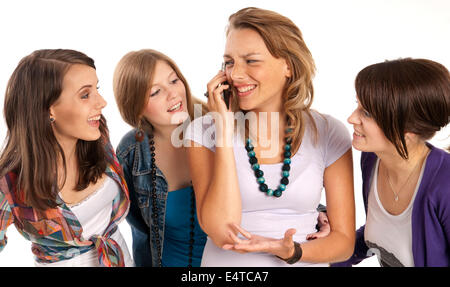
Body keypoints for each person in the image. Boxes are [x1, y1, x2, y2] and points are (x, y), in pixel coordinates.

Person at [184, 7, 355, 267]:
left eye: (251, 61)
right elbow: (222, 231)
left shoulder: (328, 132)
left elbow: (343, 243)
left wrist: (291, 252)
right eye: (229, 62)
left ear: (288, 65)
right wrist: (225, 131)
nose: (236, 74)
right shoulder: (203, 132)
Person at [0, 49, 133, 267]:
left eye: (96, 89)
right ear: (48, 110)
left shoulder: (97, 135)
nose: (102, 102)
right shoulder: (10, 182)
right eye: (85, 95)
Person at [334, 58, 450, 267]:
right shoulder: (372, 159)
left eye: (367, 113)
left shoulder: (445, 184)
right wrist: (330, 245)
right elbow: (380, 238)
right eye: (357, 105)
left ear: (408, 131)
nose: (352, 118)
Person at [114, 49, 209, 267]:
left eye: (174, 80)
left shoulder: (219, 128)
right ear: (136, 107)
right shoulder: (132, 152)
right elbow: (136, 227)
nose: (173, 94)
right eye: (155, 92)